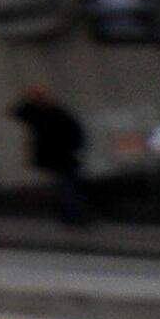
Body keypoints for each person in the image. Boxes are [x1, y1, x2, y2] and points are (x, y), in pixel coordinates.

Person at [11, 86, 94, 230]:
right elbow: (19, 112)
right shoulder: (41, 115)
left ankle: (77, 219)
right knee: (66, 189)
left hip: (63, 158)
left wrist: (73, 148)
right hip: (58, 159)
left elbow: (75, 133)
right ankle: (72, 219)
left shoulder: (57, 115)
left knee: (67, 189)